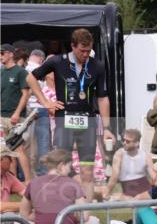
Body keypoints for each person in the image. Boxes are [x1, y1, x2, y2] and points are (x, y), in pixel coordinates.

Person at [26, 29, 116, 200]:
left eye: (88, 51)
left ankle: (86, 213)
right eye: (81, 50)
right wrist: (45, 102)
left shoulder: (97, 66)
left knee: (87, 171)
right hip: (64, 120)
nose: (85, 54)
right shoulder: (57, 61)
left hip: (88, 121)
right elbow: (30, 78)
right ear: (72, 46)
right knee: (60, 167)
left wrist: (107, 127)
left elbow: (103, 98)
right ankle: (62, 206)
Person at [13, 148, 100, 224]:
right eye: (69, 166)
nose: (70, 170)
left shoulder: (34, 183)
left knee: (17, 220)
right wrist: (69, 218)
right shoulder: (72, 183)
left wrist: (42, 217)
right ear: (61, 165)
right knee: (94, 221)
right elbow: (85, 217)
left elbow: (24, 214)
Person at [1, 43, 33, 182]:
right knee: (8, 151)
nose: (0, 56)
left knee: (19, 149)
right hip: (2, 116)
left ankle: (28, 180)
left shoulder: (20, 72)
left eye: (2, 53)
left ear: (10, 54)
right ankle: (13, 181)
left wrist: (17, 113)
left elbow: (25, 94)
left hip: (15, 117)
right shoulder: (1, 72)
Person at [100, 128, 155, 201]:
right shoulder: (119, 154)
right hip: (128, 192)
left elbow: (153, 177)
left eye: (128, 141)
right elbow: (114, 177)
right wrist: (106, 192)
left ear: (137, 143)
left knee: (117, 197)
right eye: (124, 140)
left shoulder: (145, 155)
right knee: (102, 191)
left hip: (144, 192)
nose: (124, 143)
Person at [24, 50, 53, 177]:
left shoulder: (22, 69)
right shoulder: (43, 70)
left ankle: (25, 173)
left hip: (27, 110)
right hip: (41, 108)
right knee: (43, 142)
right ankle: (44, 171)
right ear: (41, 59)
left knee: (25, 144)